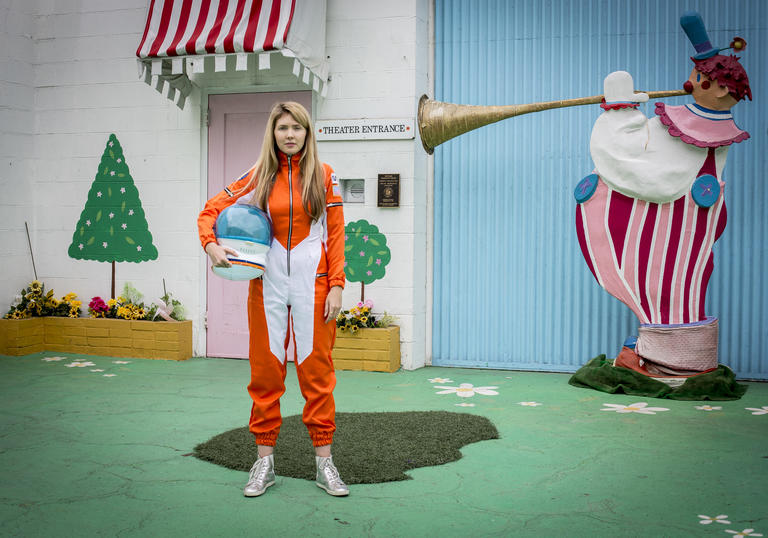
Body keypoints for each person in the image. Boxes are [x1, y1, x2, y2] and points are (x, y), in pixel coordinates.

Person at [573, 11, 751, 380]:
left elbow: (650, 166)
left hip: (689, 229)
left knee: (685, 281)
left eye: (699, 79)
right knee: (659, 283)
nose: (689, 85)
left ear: (720, 89)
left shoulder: (707, 130)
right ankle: (659, 358)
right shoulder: (677, 122)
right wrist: (622, 112)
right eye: (692, 76)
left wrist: (621, 110)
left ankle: (678, 361)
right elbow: (637, 158)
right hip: (668, 228)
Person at [197, 101, 348, 497]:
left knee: (317, 375)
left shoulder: (326, 176)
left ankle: (325, 465)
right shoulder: (258, 175)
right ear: (273, 133)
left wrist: (336, 284)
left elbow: (335, 234)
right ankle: (263, 465)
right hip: (267, 285)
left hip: (313, 286)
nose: (290, 135)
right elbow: (209, 212)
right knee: (266, 374)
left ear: (307, 132)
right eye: (283, 128)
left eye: (297, 127)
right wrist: (211, 245)